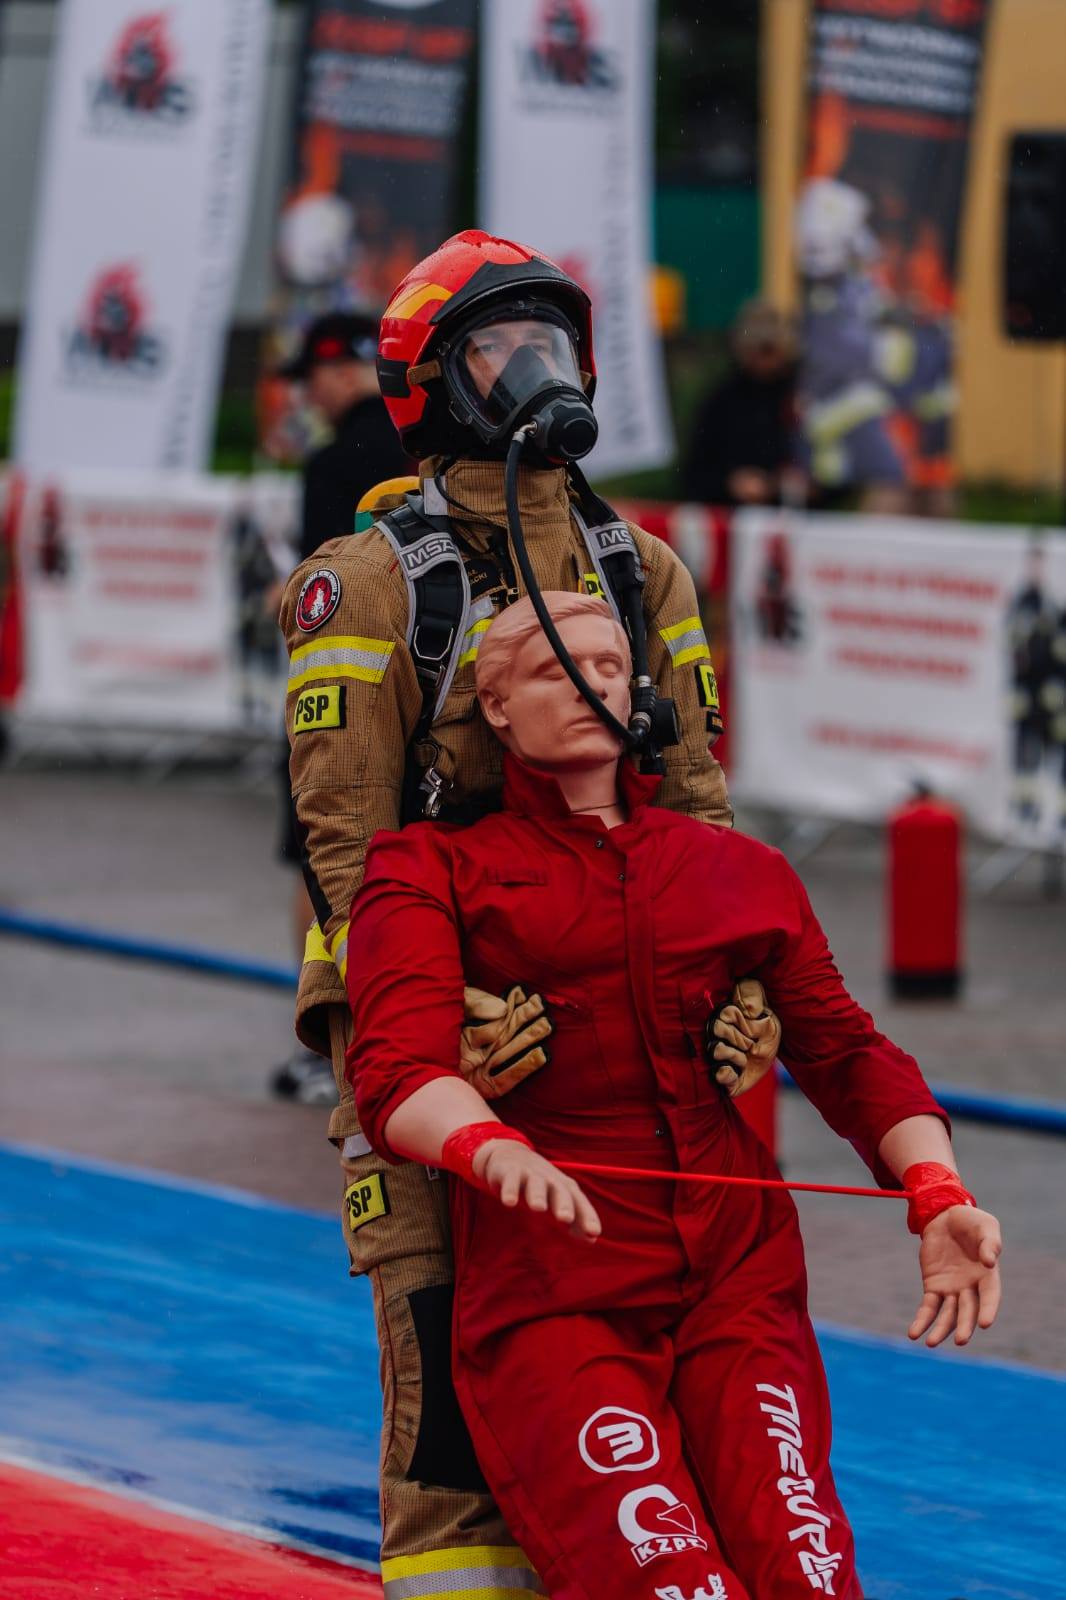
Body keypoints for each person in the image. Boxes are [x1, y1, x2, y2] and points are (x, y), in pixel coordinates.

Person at [278, 230, 782, 1600]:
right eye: (500, 350)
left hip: (627, 1080)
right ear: (433, 382)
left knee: (643, 1407)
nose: (534, 374)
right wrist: (427, 1025)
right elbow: (349, 841)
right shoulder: (371, 581)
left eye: (550, 343)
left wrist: (743, 993)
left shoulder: (642, 572)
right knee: (454, 1437)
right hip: (447, 1065)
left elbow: (697, 808)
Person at [347, 591, 1004, 1600]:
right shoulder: (430, 868)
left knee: (808, 1572)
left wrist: (935, 1188)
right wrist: (488, 1145)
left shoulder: (739, 872)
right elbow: (395, 1070)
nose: (589, 683)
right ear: (495, 706)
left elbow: (848, 1053)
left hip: (739, 1280)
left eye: (608, 666)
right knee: (670, 1583)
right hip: (553, 1295)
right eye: (552, 669)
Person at [272, 311, 413, 1103]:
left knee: (320, 851)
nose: (309, 396)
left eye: (310, 379)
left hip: (337, 692)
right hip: (429, 688)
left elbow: (318, 587)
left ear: (337, 370)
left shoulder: (334, 462)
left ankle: (332, 1047)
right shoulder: (436, 447)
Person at [682, 300, 798, 508]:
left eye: (768, 349)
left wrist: (801, 483)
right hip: (734, 519)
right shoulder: (720, 401)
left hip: (804, 521)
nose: (761, 359)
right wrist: (731, 483)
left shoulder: (805, 394)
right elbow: (692, 475)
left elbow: (837, 472)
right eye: (753, 348)